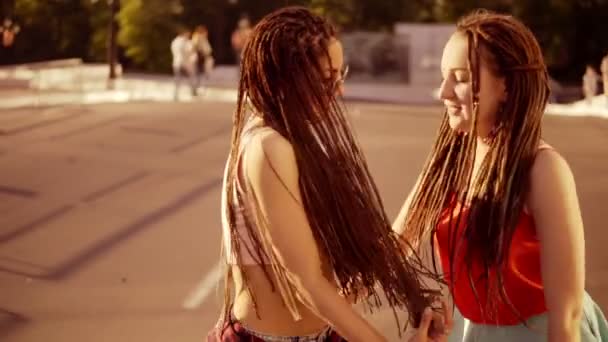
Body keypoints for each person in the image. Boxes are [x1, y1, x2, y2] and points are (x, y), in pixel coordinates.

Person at [208, 7, 452, 342]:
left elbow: (353, 274)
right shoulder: (269, 147)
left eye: (341, 76)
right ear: (285, 78)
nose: (338, 92)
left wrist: (433, 184)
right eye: (325, 80)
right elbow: (306, 282)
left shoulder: (294, 142)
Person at [393, 9, 608, 342]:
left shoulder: (542, 170)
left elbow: (567, 313)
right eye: (443, 77)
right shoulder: (447, 163)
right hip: (470, 332)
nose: (445, 92)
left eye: (461, 78)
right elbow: (395, 246)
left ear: (506, 86)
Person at [171, 28, 197, 100]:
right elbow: (188, 51)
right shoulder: (184, 42)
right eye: (187, 34)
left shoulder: (175, 41)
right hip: (184, 63)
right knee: (191, 77)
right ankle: (193, 92)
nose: (188, 35)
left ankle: (176, 94)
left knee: (178, 79)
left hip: (177, 62)